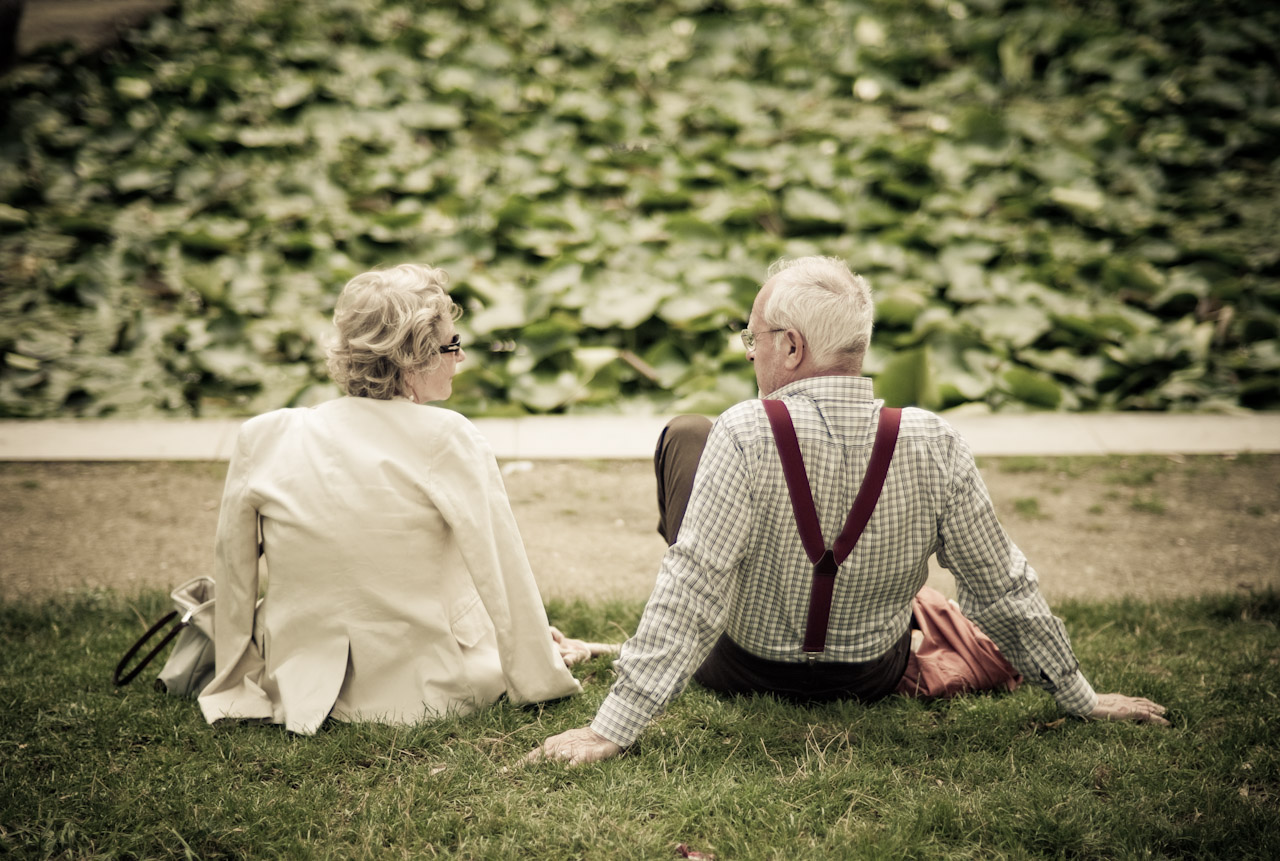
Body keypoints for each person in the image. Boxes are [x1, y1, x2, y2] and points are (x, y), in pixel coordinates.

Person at [529, 255, 1168, 765]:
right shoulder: (933, 439)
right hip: (869, 675)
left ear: (791, 346)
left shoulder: (742, 432)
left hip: (742, 666)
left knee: (685, 434)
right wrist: (1079, 697)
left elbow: (692, 587)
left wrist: (612, 729)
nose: (749, 352)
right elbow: (1000, 583)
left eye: (753, 339)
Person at [198, 263, 604, 735]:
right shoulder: (447, 436)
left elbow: (234, 574)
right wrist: (540, 670)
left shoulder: (264, 436)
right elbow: (502, 569)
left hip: (294, 681)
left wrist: (235, 684)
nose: (462, 357)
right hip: (423, 687)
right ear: (413, 359)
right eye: (452, 346)